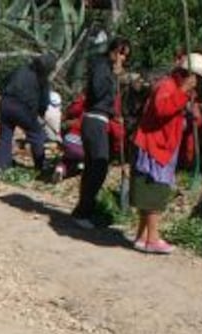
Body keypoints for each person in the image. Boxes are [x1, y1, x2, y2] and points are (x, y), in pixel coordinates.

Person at [130, 52, 202, 254]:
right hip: (155, 144)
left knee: (153, 190)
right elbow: (162, 109)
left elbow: (193, 119)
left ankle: (142, 236)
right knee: (154, 190)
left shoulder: (185, 92)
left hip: (165, 146)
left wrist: (192, 112)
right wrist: (183, 91)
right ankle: (152, 239)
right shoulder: (168, 86)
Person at [71, 37, 131, 229]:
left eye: (126, 55)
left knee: (92, 166)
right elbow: (97, 91)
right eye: (121, 53)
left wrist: (114, 113)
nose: (123, 58)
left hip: (100, 119)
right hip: (94, 120)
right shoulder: (101, 67)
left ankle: (83, 209)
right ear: (113, 51)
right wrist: (113, 75)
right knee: (99, 166)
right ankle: (83, 212)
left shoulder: (105, 68)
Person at [0, 53, 56, 172]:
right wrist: (40, 115)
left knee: (5, 136)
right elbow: (44, 102)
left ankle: (2, 167)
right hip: (23, 108)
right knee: (37, 134)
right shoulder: (42, 80)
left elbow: (4, 81)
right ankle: (40, 167)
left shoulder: (21, 69)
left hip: (6, 103)